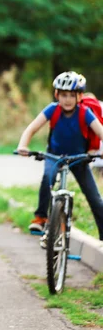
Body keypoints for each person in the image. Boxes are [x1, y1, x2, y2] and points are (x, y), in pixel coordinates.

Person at [17, 71, 103, 239]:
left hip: (79, 158)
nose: (67, 99)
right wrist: (23, 145)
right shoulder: (52, 109)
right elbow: (32, 128)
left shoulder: (85, 112)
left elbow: (100, 131)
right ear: (57, 95)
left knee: (94, 197)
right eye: (63, 95)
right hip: (54, 156)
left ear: (80, 96)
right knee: (48, 177)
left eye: (72, 95)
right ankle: (41, 217)